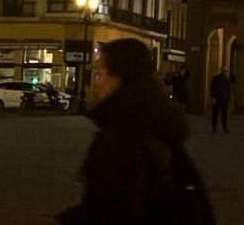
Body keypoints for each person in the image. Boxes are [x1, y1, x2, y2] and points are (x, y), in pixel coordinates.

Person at [57, 38, 214, 225]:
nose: (96, 82)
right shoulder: (158, 125)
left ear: (120, 79)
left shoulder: (124, 135)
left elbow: (117, 208)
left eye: (100, 73)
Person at [210, 66, 231, 134]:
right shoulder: (218, 78)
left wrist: (228, 99)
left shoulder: (225, 79)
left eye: (225, 71)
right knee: (217, 114)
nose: (225, 72)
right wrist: (213, 97)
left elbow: (228, 90)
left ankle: (220, 128)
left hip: (222, 99)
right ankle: (216, 128)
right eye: (224, 71)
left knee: (220, 114)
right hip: (219, 99)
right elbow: (213, 88)